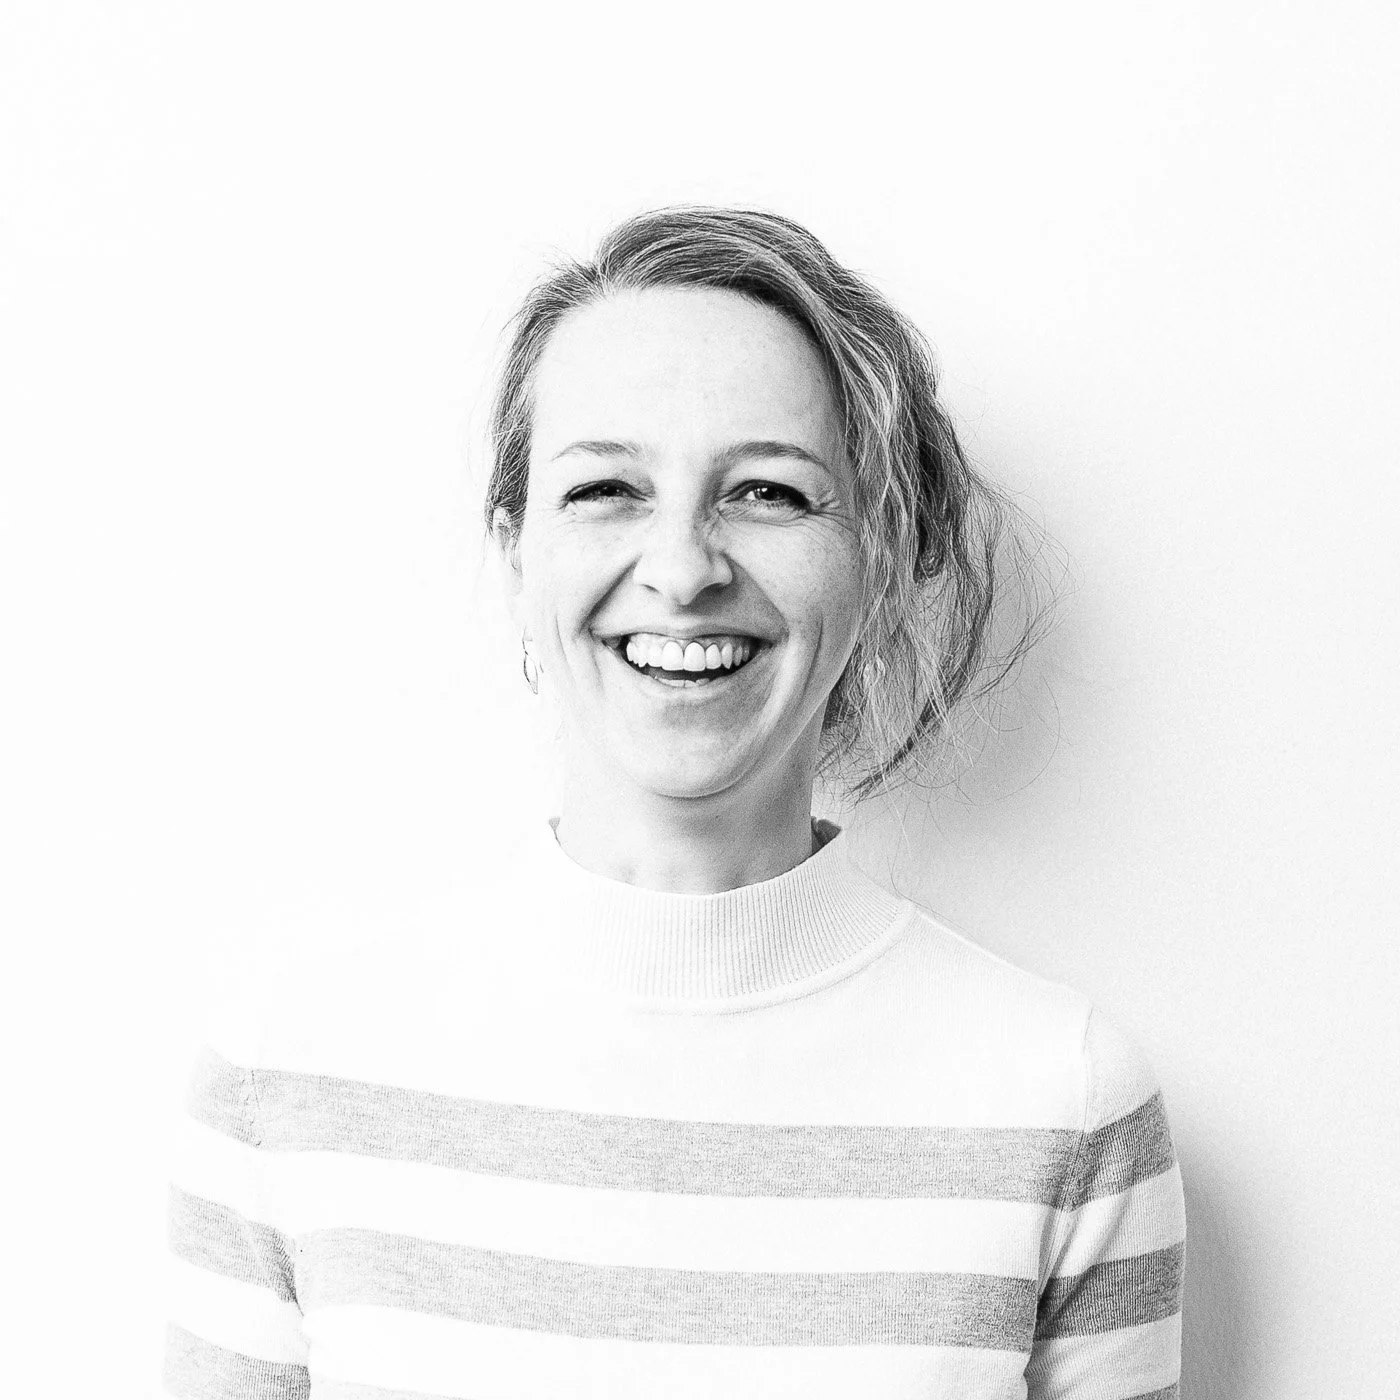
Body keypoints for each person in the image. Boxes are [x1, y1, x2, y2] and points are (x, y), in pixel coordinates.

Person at [164, 207, 1186, 1399]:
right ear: (517, 549)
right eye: (606, 487)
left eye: (768, 491)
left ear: (881, 550)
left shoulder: (1063, 1101)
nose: (683, 568)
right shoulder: (284, 1075)